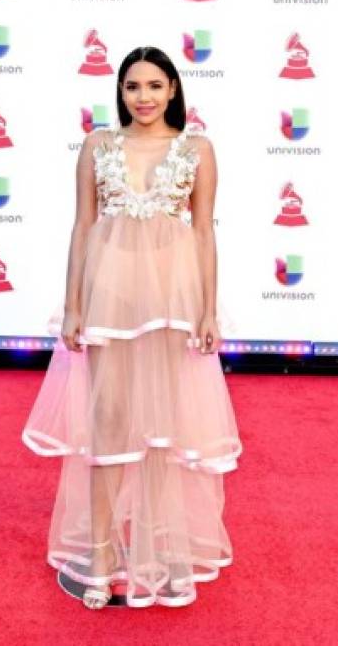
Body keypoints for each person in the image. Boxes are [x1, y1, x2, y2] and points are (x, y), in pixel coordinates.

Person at [22, 46, 242, 610]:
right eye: (131, 86)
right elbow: (82, 226)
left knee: (164, 427)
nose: (142, 97)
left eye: (153, 85)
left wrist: (208, 309)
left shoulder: (196, 149)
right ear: (119, 92)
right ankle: (99, 554)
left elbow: (203, 233)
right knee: (110, 423)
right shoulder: (99, 145)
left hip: (172, 301)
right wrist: (72, 307)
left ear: (173, 89)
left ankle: (160, 553)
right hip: (109, 300)